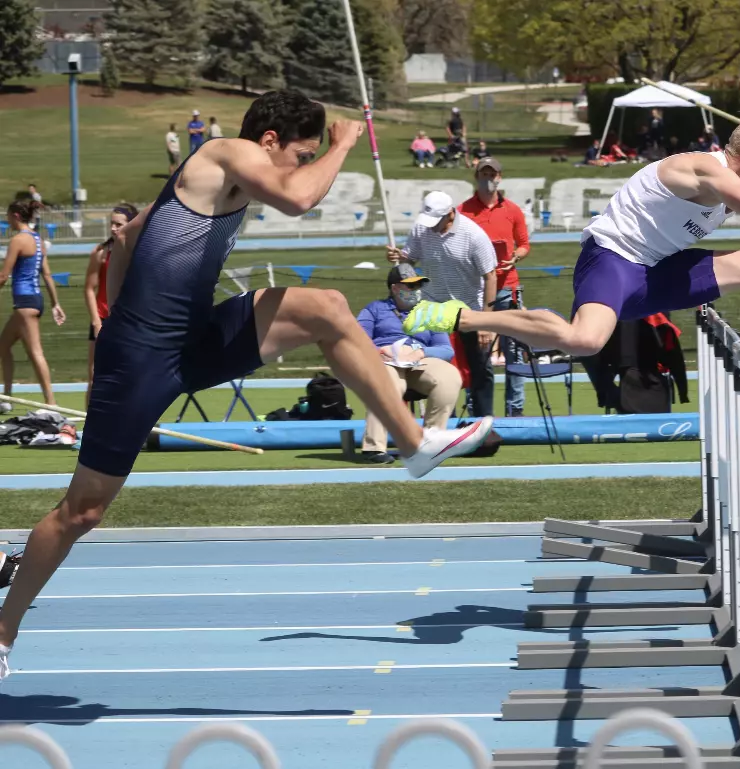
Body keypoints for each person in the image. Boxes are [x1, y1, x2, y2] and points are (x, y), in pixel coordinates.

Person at [0, 91, 493, 685]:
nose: (302, 163)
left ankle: (413, 443)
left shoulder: (218, 179)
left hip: (196, 335)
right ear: (268, 143)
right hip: (140, 358)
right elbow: (299, 197)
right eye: (300, 152)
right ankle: (4, 630)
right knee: (82, 512)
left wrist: (139, 302)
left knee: (328, 308)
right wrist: (340, 146)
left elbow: (129, 237)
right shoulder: (223, 152)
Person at [402, 112, 740, 384]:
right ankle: (462, 317)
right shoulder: (706, 170)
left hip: (657, 267)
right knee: (585, 340)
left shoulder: (738, 180)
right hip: (612, 259)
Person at [387, 190, 498, 417]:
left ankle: (483, 420)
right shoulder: (421, 228)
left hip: (469, 311)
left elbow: (491, 276)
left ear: (450, 214)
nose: (430, 225)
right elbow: (409, 259)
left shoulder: (474, 235)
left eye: (436, 220)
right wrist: (399, 257)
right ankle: (446, 420)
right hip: (433, 310)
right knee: (438, 368)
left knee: (479, 368)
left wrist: (487, 322)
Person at [357, 264, 464, 462]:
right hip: (386, 361)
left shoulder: (430, 312)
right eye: (410, 286)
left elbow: (446, 350)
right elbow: (357, 340)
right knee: (387, 381)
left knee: (449, 376)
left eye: (417, 285)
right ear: (395, 288)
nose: (416, 291)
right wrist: (379, 351)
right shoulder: (374, 309)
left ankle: (429, 445)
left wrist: (420, 352)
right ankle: (374, 448)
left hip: (420, 361)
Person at [457, 157, 530, 416]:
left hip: (508, 287)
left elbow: (524, 243)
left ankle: (515, 409)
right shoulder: (462, 210)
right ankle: (478, 407)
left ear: (500, 176)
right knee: (477, 354)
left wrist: (515, 257)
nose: (489, 178)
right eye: (484, 173)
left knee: (515, 352)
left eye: (493, 173)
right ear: (476, 177)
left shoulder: (512, 210)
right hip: (474, 290)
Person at [0, 200, 66, 412]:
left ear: (16, 216)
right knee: (3, 346)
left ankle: (51, 403)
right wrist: (56, 303)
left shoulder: (18, 240)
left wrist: (56, 303)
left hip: (25, 303)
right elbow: (46, 274)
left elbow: (3, 275)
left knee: (35, 352)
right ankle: (6, 397)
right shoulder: (37, 239)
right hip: (32, 301)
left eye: (8, 216)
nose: (7, 220)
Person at [83, 204, 139, 408]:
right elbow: (89, 289)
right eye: (112, 224)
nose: (114, 228)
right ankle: (91, 426)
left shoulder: (139, 252)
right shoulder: (100, 253)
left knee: (129, 376)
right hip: (103, 319)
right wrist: (96, 321)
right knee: (95, 377)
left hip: (128, 320)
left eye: (119, 224)